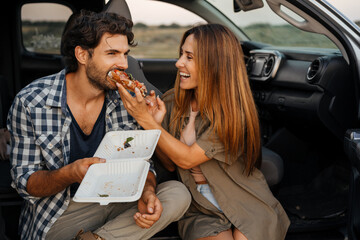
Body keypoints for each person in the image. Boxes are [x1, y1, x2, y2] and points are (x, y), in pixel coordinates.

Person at [6, 10, 191, 240]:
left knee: (177, 194)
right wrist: (70, 174)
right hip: (64, 212)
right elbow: (26, 183)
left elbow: (143, 166)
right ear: (82, 55)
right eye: (112, 53)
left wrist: (148, 192)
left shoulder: (127, 101)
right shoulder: (31, 102)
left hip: (119, 201)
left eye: (125, 54)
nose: (123, 64)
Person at [117, 23, 291, 240]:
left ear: (214, 64)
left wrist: (145, 120)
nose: (179, 62)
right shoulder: (172, 101)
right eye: (181, 54)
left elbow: (188, 159)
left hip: (242, 197)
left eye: (189, 57)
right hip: (198, 206)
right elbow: (171, 164)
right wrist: (156, 125)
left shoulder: (232, 111)